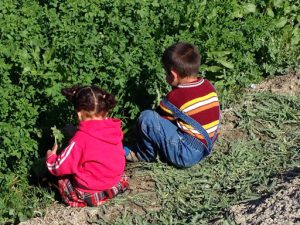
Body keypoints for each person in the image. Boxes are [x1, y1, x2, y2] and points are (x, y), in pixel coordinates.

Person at [125, 42, 221, 168]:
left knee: (147, 118)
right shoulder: (208, 85)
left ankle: (143, 155)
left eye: (166, 72)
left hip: (186, 155)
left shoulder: (176, 97)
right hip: (207, 145)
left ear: (173, 74)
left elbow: (158, 121)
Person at [46, 85, 128, 207]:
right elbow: (95, 145)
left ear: (79, 114)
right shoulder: (114, 128)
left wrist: (50, 157)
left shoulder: (79, 141)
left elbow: (58, 167)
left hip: (91, 193)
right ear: (105, 110)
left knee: (60, 177)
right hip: (114, 184)